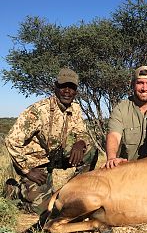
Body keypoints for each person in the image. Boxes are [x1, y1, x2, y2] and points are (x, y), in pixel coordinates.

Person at [4, 68, 98, 215]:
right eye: (63, 86)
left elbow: (82, 131)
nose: (67, 91)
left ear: (76, 91)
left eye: (71, 87)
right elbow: (11, 140)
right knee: (43, 209)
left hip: (55, 155)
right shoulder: (38, 110)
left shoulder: (75, 108)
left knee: (90, 151)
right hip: (35, 163)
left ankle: (73, 191)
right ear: (55, 87)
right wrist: (27, 170)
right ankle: (14, 191)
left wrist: (80, 142)